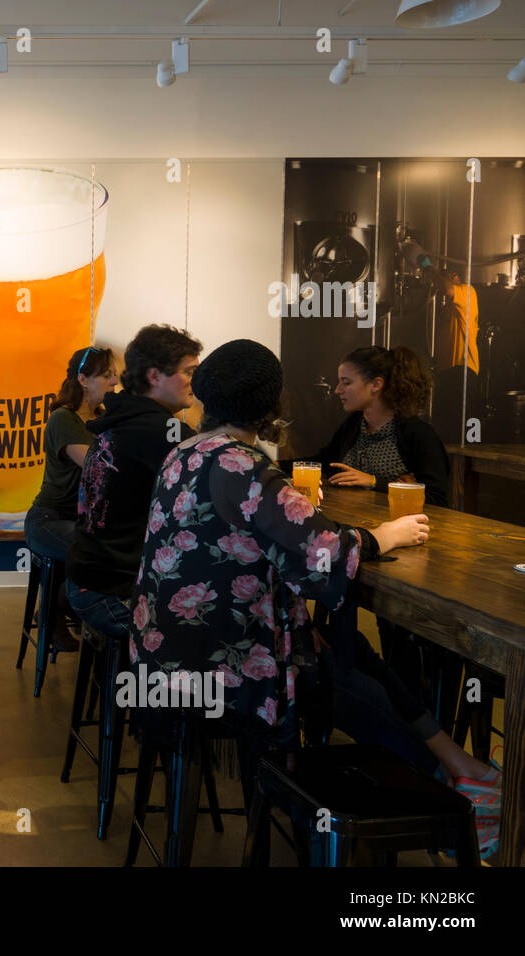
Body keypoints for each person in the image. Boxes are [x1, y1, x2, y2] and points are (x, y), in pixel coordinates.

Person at [131, 339, 501, 856]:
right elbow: (326, 551)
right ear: (269, 404)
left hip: (164, 651)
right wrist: (386, 536)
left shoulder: (183, 453)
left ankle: (463, 774)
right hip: (224, 662)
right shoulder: (244, 466)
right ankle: (455, 790)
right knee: (347, 667)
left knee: (346, 650)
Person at [65, 325, 199, 640]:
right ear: (154, 376)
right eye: (188, 371)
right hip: (111, 590)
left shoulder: (121, 417)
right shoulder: (161, 430)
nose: (195, 382)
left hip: (87, 577)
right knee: (203, 634)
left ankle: (115, 681)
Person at [311, 345, 449, 506]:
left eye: (346, 383)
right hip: (355, 521)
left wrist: (374, 481)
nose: (337, 390)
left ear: (376, 385)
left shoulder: (419, 434)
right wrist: (276, 466)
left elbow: (436, 498)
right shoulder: (354, 424)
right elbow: (323, 462)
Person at [24, 345, 119, 563]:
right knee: (101, 552)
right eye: (106, 376)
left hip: (83, 520)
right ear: (83, 380)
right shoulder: (64, 418)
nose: (114, 382)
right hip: (50, 520)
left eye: (114, 375)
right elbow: (98, 467)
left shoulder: (104, 418)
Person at [401, 239, 480, 440]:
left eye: (442, 277)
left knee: (465, 432)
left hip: (464, 372)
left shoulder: (467, 292)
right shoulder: (447, 308)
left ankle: (470, 467)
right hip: (448, 373)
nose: (435, 282)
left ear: (454, 276)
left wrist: (426, 265)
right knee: (446, 431)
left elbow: (447, 288)